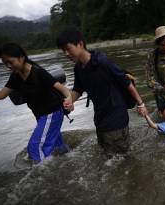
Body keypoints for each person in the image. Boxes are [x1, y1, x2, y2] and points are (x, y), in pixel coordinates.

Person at [56, 27, 148, 157]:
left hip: (116, 116)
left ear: (80, 44)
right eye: (63, 50)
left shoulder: (102, 62)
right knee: (108, 157)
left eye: (68, 48)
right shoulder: (78, 68)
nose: (66, 53)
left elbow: (126, 82)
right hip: (100, 119)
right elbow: (77, 90)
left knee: (122, 158)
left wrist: (141, 104)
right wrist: (69, 100)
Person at [0, 43, 72, 163]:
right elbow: (1, 95)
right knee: (57, 146)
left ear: (21, 57)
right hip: (40, 115)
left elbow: (63, 89)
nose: (8, 66)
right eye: (5, 63)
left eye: (10, 62)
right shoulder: (16, 76)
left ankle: (45, 175)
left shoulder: (39, 73)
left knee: (34, 147)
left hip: (51, 113)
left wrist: (69, 99)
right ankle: (68, 161)